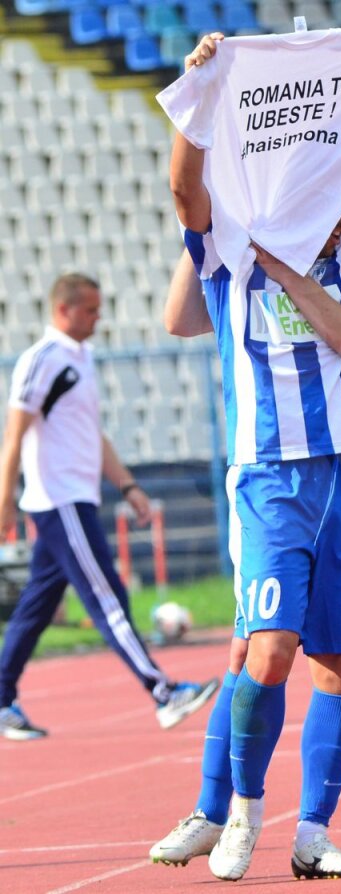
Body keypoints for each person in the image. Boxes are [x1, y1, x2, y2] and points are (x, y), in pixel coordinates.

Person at [165, 27, 341, 881]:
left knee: (339, 659)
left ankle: (314, 830)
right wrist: (203, 96)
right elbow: (186, 188)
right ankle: (240, 814)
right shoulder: (234, 250)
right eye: (314, 182)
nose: (332, 196)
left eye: (339, 183)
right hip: (271, 479)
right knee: (267, 649)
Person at [0, 273, 218, 741]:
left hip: (79, 497)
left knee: (36, 606)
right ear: (64, 310)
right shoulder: (43, 360)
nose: (99, 320)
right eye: (90, 311)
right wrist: (4, 504)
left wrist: (129, 485)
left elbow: (91, 436)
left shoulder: (82, 359)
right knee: (107, 598)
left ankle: (0, 699)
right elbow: (13, 436)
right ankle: (162, 693)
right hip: (58, 501)